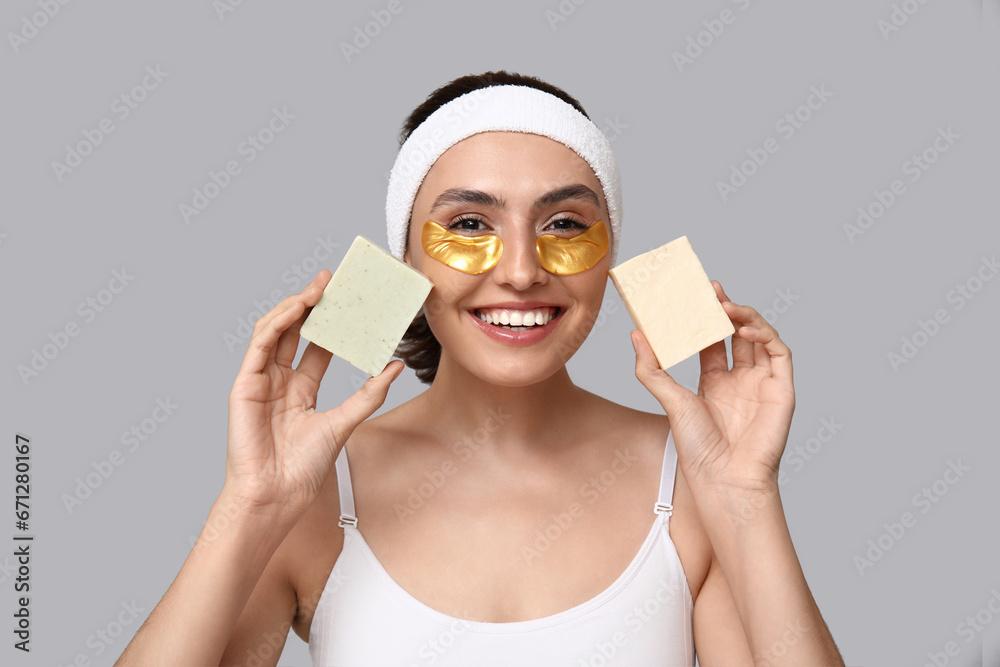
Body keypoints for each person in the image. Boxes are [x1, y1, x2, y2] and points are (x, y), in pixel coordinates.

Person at [115, 70, 845, 666]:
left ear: (612, 257)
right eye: (468, 225)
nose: (522, 271)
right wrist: (250, 503)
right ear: (405, 264)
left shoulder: (693, 481)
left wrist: (746, 496)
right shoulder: (314, 489)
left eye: (564, 224)